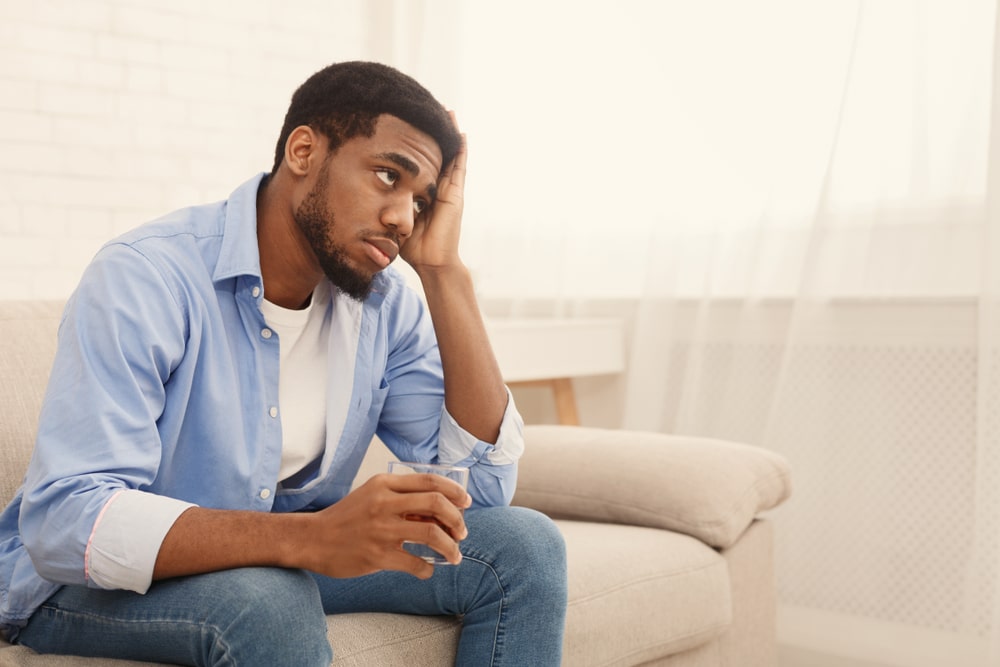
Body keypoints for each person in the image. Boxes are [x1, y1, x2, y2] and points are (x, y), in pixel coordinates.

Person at [0, 61, 568, 666]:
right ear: (304, 151)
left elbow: (477, 491)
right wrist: (311, 539)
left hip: (274, 557)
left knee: (526, 548)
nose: (404, 218)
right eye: (386, 176)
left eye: (420, 200)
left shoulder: (384, 303)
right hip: (83, 586)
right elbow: (68, 522)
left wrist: (444, 273)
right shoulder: (148, 277)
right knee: (267, 598)